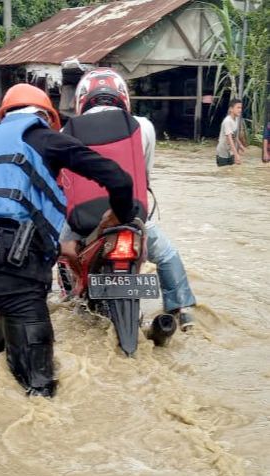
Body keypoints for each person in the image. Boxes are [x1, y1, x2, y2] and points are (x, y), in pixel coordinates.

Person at [0, 83, 136, 397]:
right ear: (47, 115)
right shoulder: (43, 137)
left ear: (4, 116)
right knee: (37, 387)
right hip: (10, 262)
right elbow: (118, 178)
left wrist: (57, 247)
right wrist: (120, 214)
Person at [59, 67, 196, 331]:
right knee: (167, 255)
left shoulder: (68, 129)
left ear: (82, 99)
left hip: (84, 222)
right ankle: (182, 310)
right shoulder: (142, 125)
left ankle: (71, 297)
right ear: (121, 95)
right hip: (131, 216)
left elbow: (66, 180)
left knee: (63, 251)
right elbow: (144, 173)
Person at [216, 98, 246, 167]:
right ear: (231, 109)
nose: (240, 110)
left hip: (230, 151)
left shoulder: (236, 119)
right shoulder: (227, 121)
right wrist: (236, 155)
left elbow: (234, 135)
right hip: (222, 152)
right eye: (238, 108)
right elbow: (229, 139)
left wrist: (240, 145)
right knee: (223, 172)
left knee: (231, 171)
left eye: (241, 108)